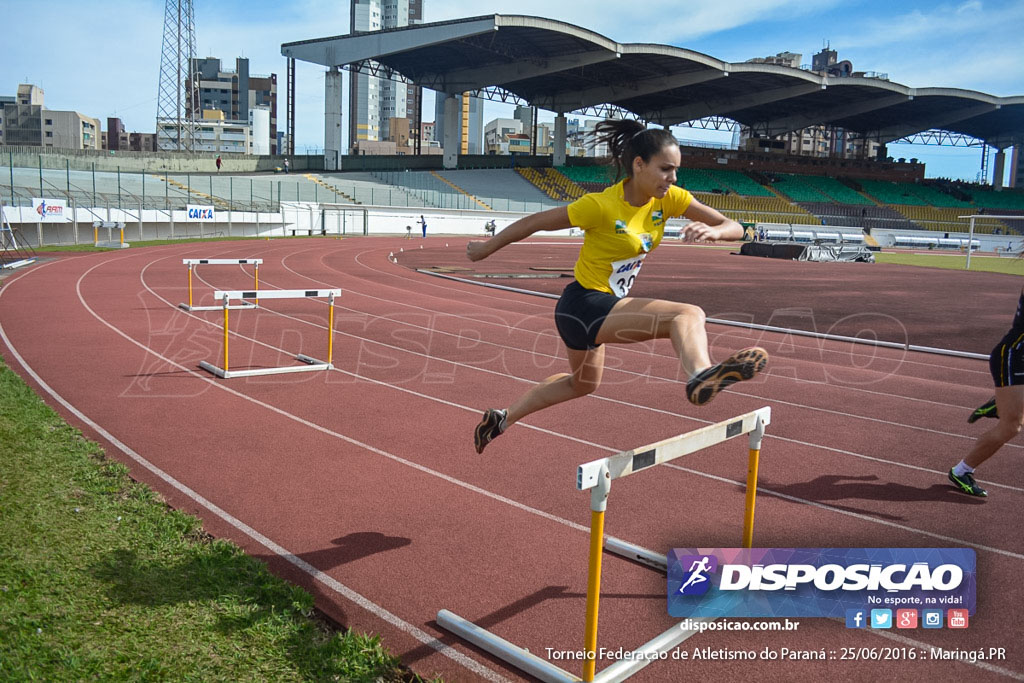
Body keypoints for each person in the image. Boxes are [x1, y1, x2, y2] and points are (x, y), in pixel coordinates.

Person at [468, 119, 768, 454]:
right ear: (639, 165)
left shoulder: (669, 199)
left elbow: (736, 227)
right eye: (666, 169)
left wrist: (716, 232)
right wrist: (485, 248)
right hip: (584, 304)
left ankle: (502, 419)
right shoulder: (601, 205)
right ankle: (700, 374)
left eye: (677, 171)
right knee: (686, 315)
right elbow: (535, 222)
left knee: (582, 384)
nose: (673, 178)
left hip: (591, 311)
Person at [950, 287, 1024, 497]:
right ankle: (961, 471)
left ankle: (1001, 404)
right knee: (1012, 427)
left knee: (1013, 418)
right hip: (1013, 357)